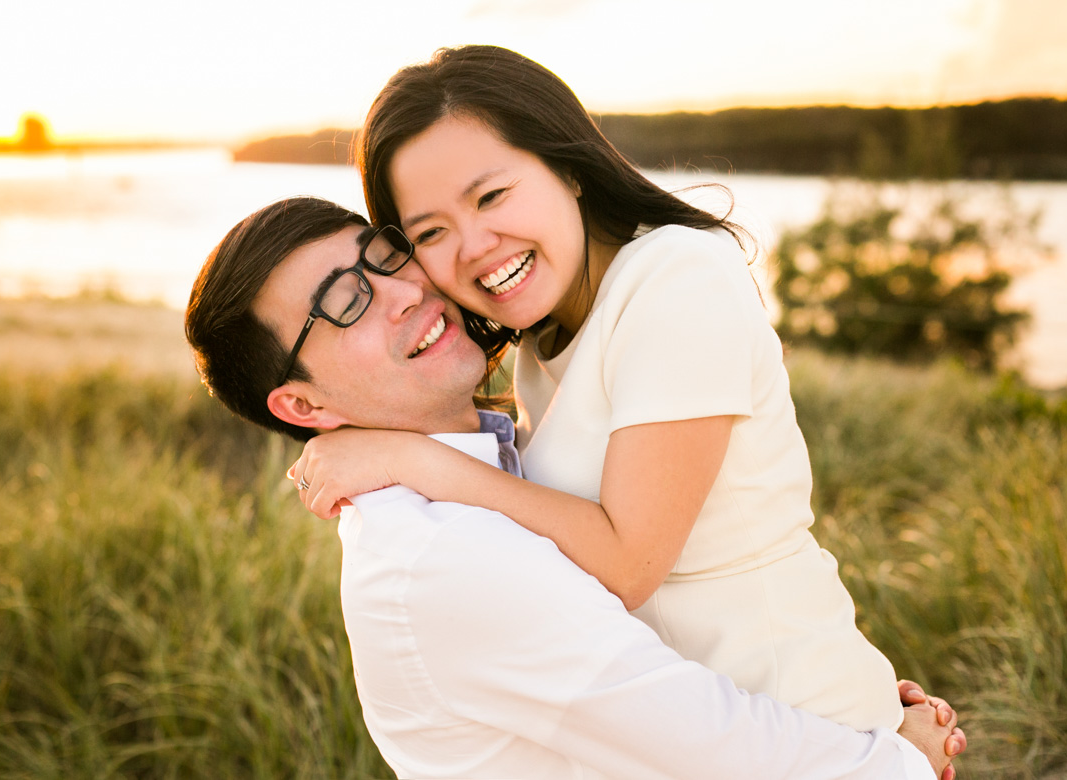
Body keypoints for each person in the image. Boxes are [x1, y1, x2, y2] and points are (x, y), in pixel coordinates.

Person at [185, 196, 965, 779]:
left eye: (385, 256)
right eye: (344, 303)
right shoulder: (444, 558)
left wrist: (841, 690)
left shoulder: (506, 449)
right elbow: (712, 746)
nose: (402, 290)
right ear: (304, 407)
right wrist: (896, 758)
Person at [292, 44, 925, 734]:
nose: (473, 245)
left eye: (492, 195)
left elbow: (628, 563)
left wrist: (407, 459)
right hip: (702, 738)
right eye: (432, 232)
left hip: (804, 722)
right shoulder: (541, 341)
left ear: (567, 167)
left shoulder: (676, 276)